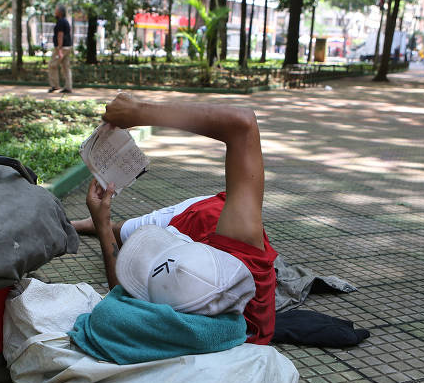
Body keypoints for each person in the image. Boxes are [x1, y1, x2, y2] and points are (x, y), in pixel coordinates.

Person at [72, 93, 278, 345]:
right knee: (133, 231)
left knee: (127, 231)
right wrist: (140, 112)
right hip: (210, 217)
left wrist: (103, 225)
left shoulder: (165, 325)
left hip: (188, 223)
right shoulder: (239, 248)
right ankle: (99, 225)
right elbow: (243, 123)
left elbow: (122, 302)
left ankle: (97, 224)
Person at [47, 5, 73, 94]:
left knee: (52, 65)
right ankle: (68, 87)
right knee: (66, 67)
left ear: (60, 12)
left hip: (62, 47)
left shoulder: (61, 22)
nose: (55, 11)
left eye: (56, 10)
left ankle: (55, 85)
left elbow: (60, 35)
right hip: (68, 46)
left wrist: (59, 49)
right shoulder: (65, 21)